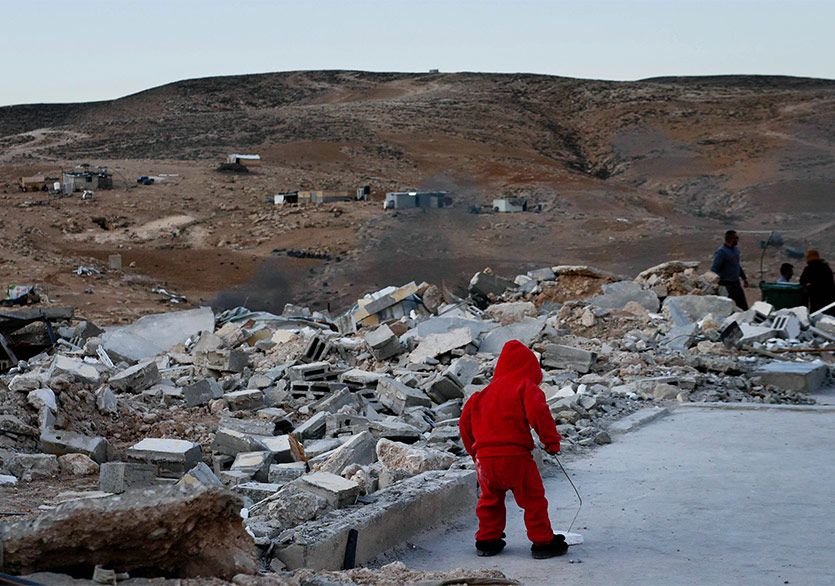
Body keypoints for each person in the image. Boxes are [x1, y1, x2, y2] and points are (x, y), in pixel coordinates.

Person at [459, 340, 568, 559]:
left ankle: (487, 540)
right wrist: (551, 441)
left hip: (485, 460)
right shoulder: (524, 386)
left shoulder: (480, 395)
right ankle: (543, 542)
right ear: (530, 369)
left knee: (489, 501)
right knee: (533, 499)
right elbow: (538, 411)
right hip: (515, 457)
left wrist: (474, 453)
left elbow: (464, 423)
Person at [710, 230, 749, 310]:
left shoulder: (735, 250)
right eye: (736, 238)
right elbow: (714, 268)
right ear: (730, 239)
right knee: (729, 308)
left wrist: (744, 278)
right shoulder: (721, 252)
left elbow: (737, 265)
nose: (737, 239)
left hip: (736, 284)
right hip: (726, 286)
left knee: (743, 307)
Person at [799, 250, 835, 315]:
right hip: (829, 301)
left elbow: (802, 281)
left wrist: (810, 285)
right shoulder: (826, 267)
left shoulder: (809, 268)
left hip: (816, 301)